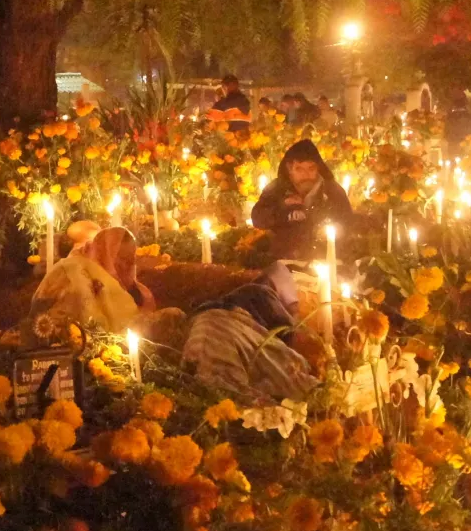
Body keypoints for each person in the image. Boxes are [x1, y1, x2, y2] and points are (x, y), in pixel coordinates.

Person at [181, 267, 318, 403]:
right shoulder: (260, 291)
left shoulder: (252, 294)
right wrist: (295, 315)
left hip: (205, 323)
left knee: (217, 383)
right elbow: (289, 333)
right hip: (222, 322)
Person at [26, 227, 153, 336]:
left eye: (131, 260)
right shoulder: (75, 271)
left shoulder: (137, 290)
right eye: (122, 259)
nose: (127, 266)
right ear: (105, 254)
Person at [250, 139, 353, 260]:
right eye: (299, 169)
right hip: (284, 261)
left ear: (318, 168)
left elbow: (347, 222)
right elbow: (258, 219)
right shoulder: (276, 189)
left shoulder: (332, 191)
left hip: (325, 259)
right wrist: (282, 207)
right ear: (289, 169)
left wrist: (333, 229)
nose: (306, 174)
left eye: (311, 168)